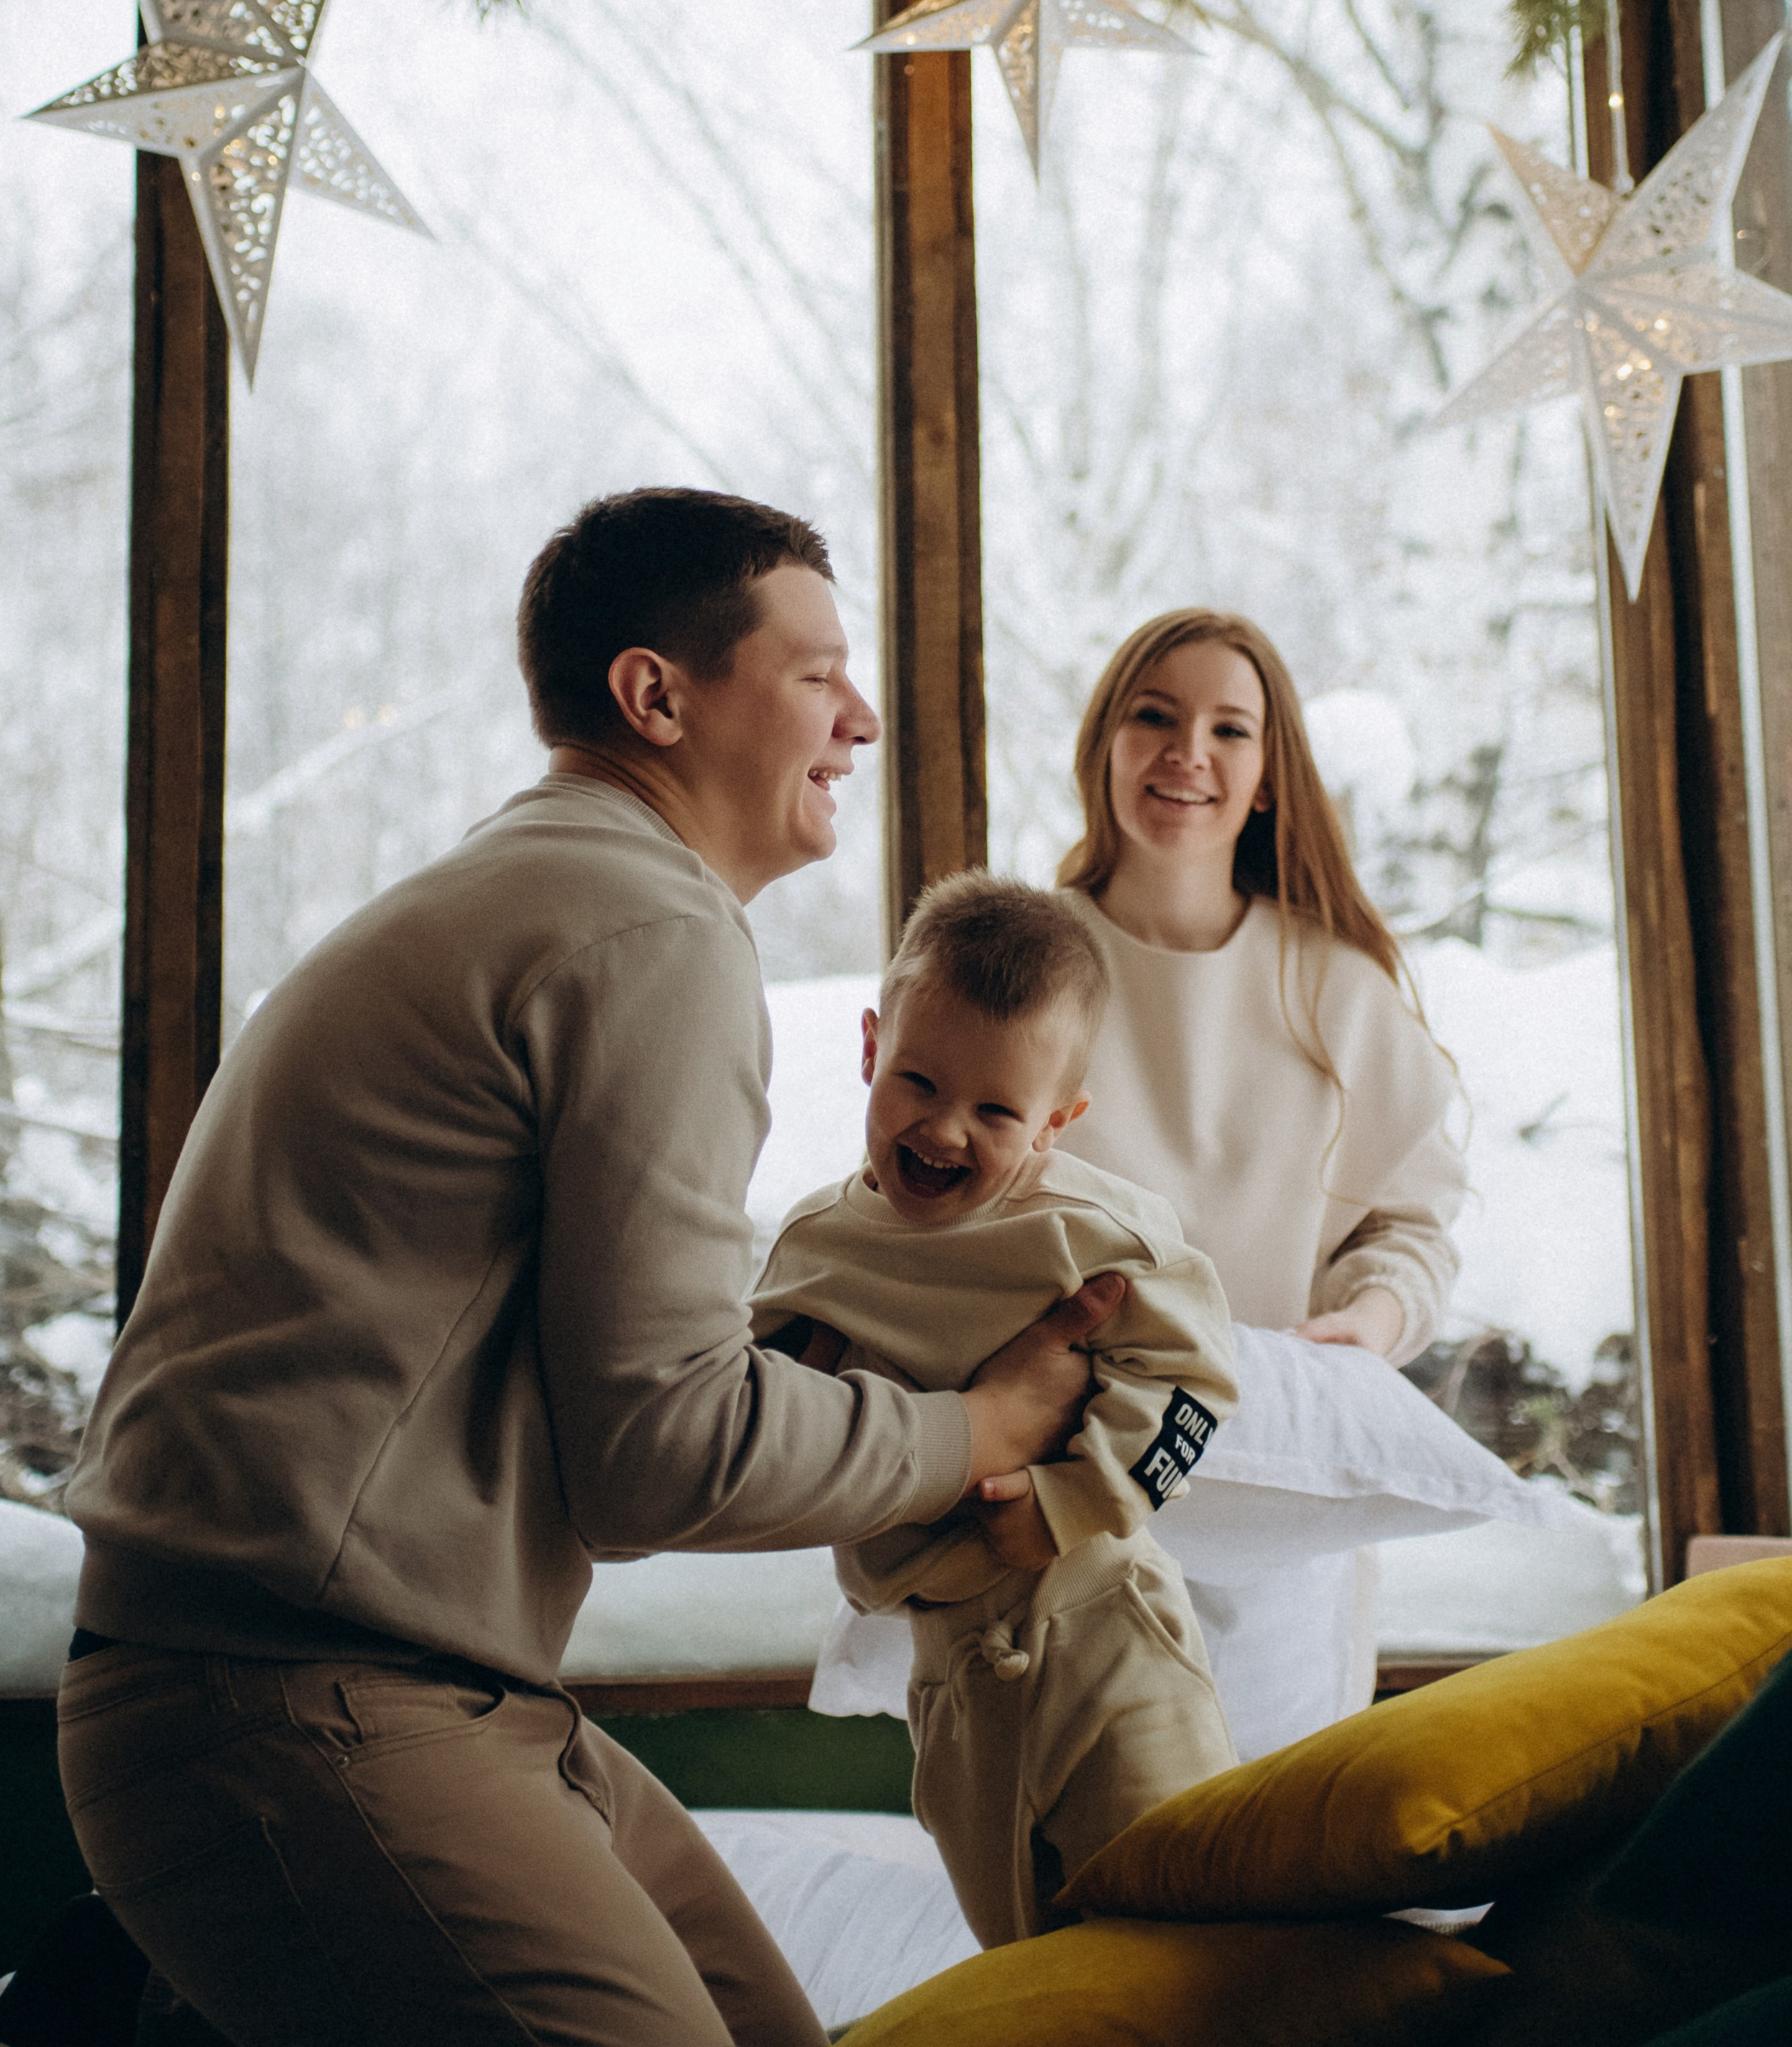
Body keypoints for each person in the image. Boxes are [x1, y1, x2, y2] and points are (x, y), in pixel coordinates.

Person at [57, 489, 1121, 2047]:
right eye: (817, 674)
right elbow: (659, 1452)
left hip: (410, 1687)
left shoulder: (533, 893)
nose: (864, 719)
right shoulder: (648, 930)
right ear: (654, 697)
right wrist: (977, 1429)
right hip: (295, 1696)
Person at [753, 872, 1238, 1949]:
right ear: (870, 1047)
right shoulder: (815, 1252)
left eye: (996, 1111)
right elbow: (748, 1424)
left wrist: (1068, 1502)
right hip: (949, 1665)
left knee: (1178, 1923)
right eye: (918, 1082)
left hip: (1101, 1619)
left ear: (1058, 1122)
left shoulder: (1095, 1234)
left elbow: (1195, 1386)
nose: (944, 1130)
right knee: (1025, 1952)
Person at [1052, 606, 1465, 1749]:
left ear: (1270, 775)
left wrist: (1371, 1323)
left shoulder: (1335, 986)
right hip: (1065, 1488)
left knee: (1266, 1831)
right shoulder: (1019, 961)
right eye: (1156, 716)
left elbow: (1413, 1227)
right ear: (1104, 744)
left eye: (1229, 729)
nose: (1189, 752)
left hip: (1283, 1507)